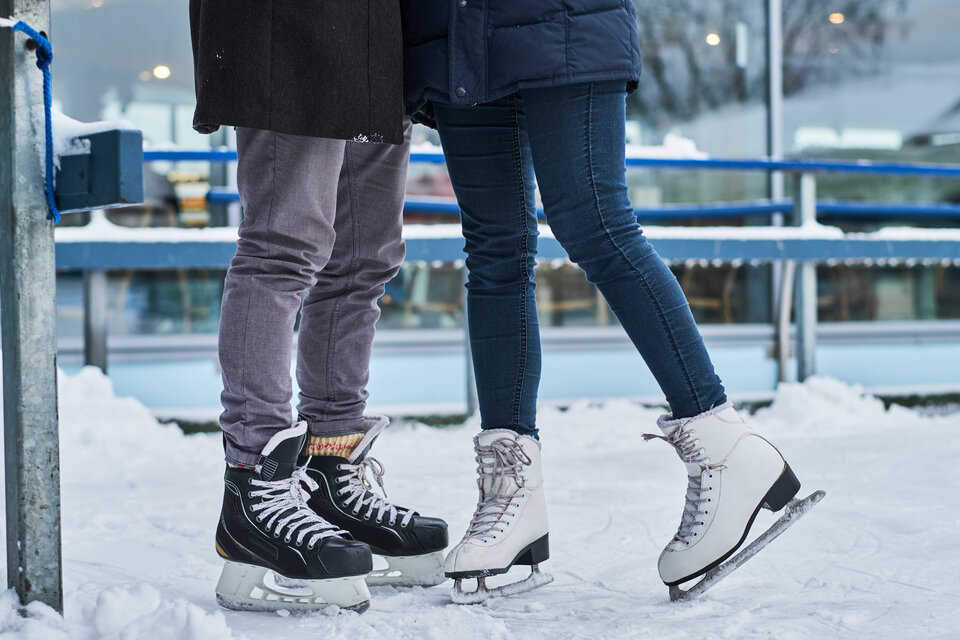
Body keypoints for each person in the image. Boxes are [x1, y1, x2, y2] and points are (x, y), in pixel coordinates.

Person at [400, 1, 803, 598]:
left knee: (596, 224)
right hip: (455, 32)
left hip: (559, 19)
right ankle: (512, 491)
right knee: (494, 252)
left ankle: (725, 448)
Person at [189, 0, 447, 613]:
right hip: (291, 29)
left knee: (363, 264)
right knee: (281, 249)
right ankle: (255, 485)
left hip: (379, 41)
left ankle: (330, 471)